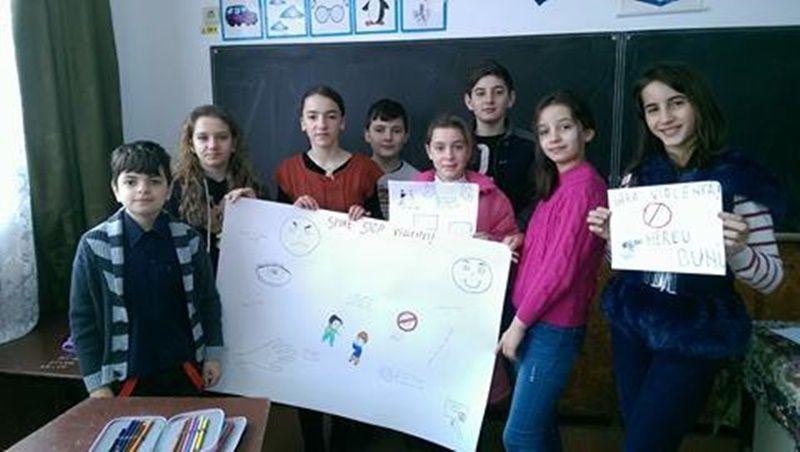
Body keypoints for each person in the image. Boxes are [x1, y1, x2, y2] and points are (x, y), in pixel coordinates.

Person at [586, 63, 785, 451]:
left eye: (676, 102)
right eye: (653, 108)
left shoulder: (739, 180)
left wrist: (738, 250)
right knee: (641, 434)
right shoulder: (637, 178)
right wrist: (613, 238)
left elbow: (773, 278)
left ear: (698, 104)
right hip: (633, 325)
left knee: (645, 445)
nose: (665, 117)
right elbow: (621, 263)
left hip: (694, 332)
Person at [497, 91, 608, 451]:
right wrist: (523, 240)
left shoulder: (585, 188)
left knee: (519, 436)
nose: (554, 138)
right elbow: (553, 246)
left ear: (586, 131)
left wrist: (518, 326)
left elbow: (561, 269)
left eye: (564, 127)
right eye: (544, 131)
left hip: (550, 326)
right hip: (533, 317)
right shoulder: (559, 184)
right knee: (540, 427)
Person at [69, 141, 223, 398]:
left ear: (169, 189)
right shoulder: (94, 246)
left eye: (154, 181)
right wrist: (96, 384)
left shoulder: (189, 241)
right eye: (131, 182)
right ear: (116, 190)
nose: (143, 189)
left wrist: (213, 355)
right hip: (126, 380)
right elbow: (82, 320)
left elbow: (209, 301)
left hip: (185, 372)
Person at [168, 104, 262, 273]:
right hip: (194, 281)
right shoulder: (176, 189)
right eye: (203, 138)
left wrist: (255, 210)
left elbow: (267, 244)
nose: (212, 145)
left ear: (233, 144)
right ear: (191, 145)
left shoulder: (253, 187)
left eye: (222, 137)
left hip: (245, 279)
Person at [275, 85, 384, 221]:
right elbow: (278, 226)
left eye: (331, 117)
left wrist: (366, 218)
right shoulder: (288, 171)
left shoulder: (367, 170)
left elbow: (383, 224)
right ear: (303, 123)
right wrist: (293, 212)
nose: (322, 125)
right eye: (312, 117)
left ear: (342, 122)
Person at [463, 59, 537, 218]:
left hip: (516, 231)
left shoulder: (531, 146)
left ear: (511, 98)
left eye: (498, 92)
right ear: (469, 101)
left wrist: (517, 228)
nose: (489, 100)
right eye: (480, 93)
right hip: (462, 231)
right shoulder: (454, 145)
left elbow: (539, 199)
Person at [364, 98, 420, 219]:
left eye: (396, 131)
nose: (388, 137)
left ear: (406, 136)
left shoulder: (418, 180)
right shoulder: (354, 176)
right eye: (380, 130)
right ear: (367, 135)